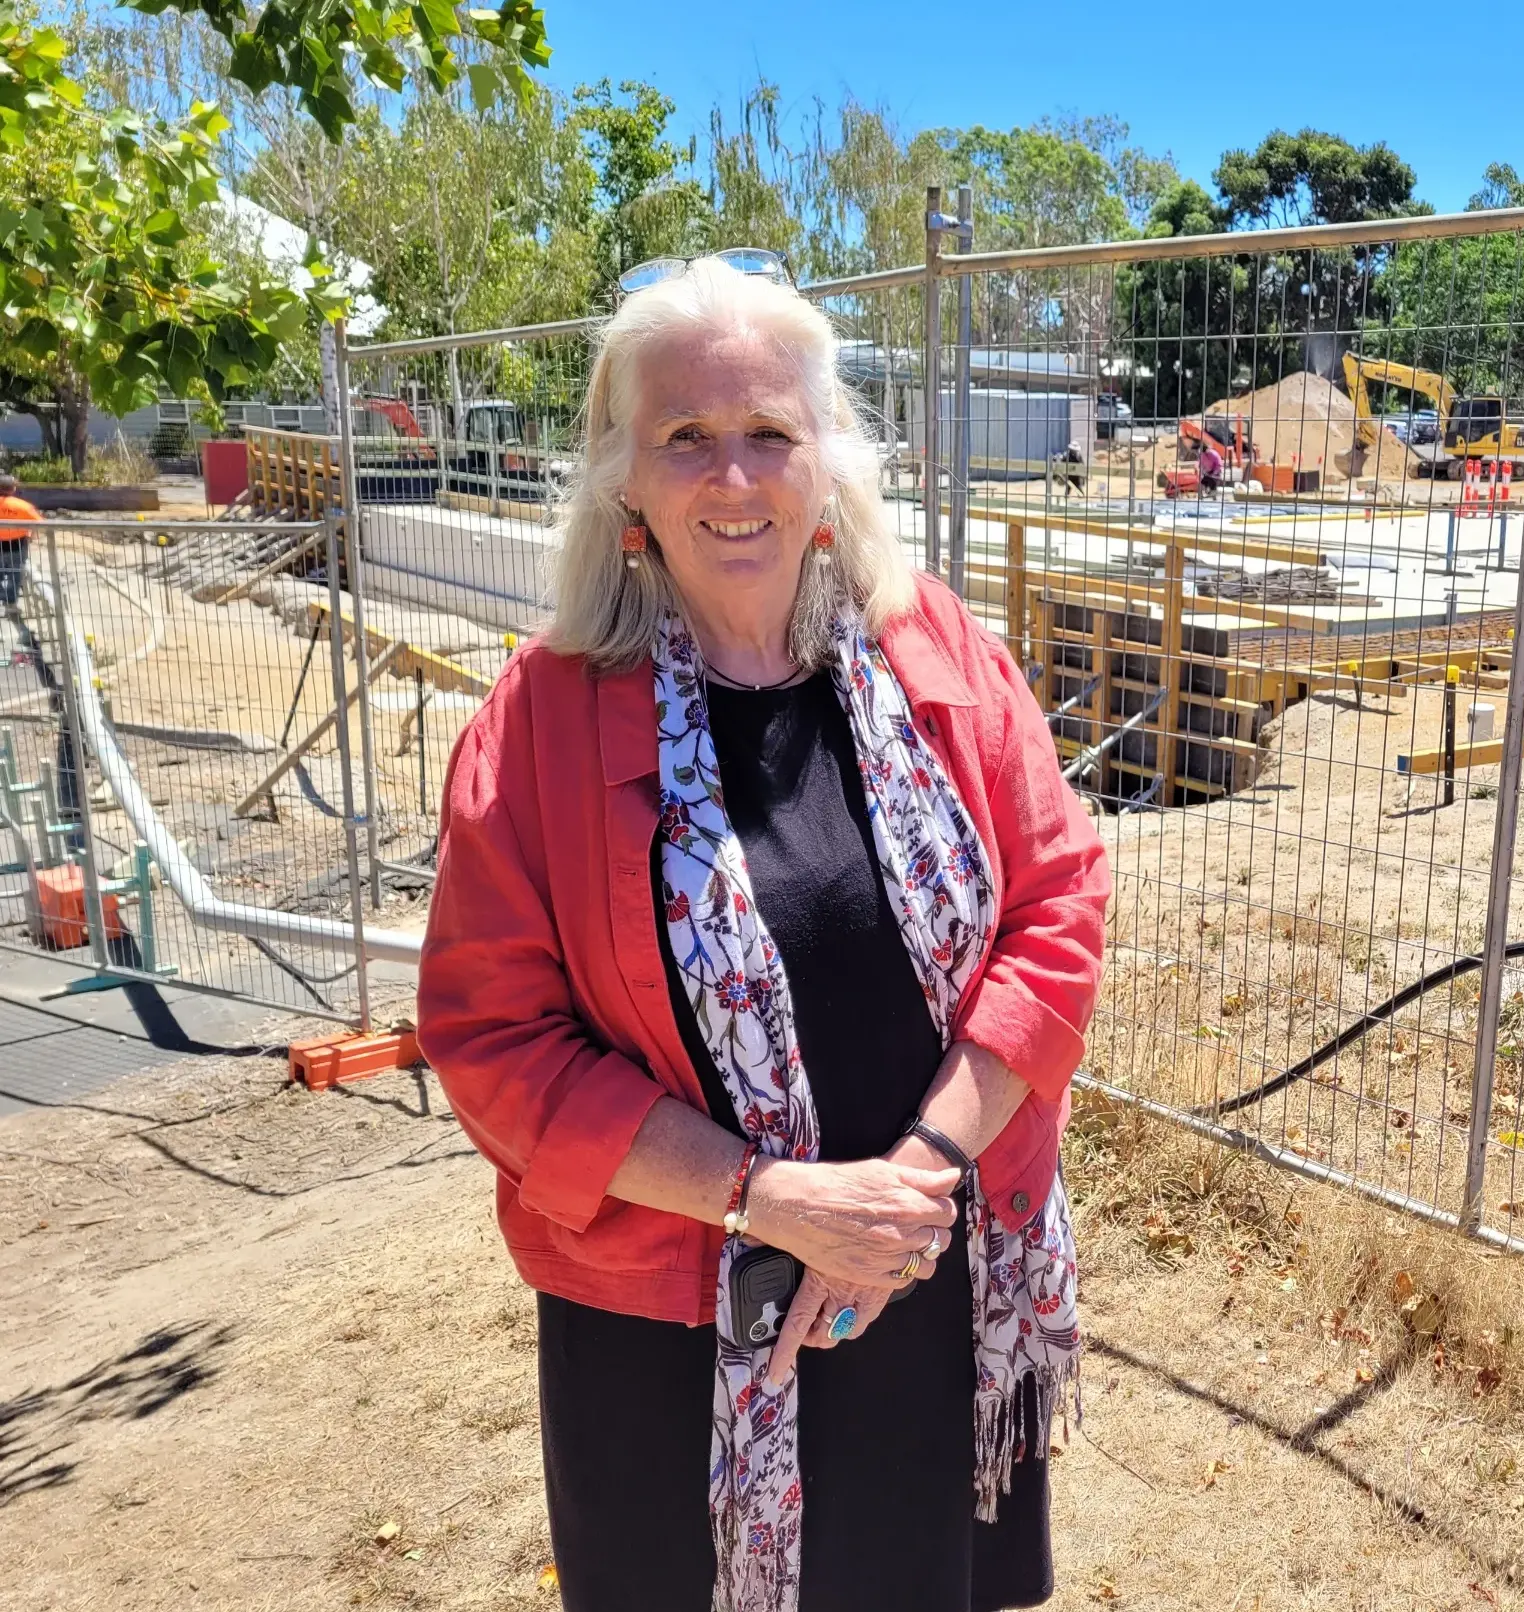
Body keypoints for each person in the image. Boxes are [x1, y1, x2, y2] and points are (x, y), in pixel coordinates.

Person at [417, 258, 1110, 1612]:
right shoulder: (542, 717)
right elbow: (494, 1043)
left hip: (928, 1270)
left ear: (828, 459)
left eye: (769, 434)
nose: (733, 479)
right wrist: (774, 1199)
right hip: (679, 1328)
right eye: (685, 437)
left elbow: (1059, 908)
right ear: (624, 476)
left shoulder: (938, 654)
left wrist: (909, 1177)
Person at [0, 472, 39, 608]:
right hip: (16, 546)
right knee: (15, 574)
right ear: (13, 489)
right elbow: (40, 523)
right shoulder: (23, 506)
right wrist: (31, 534)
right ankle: (11, 602)